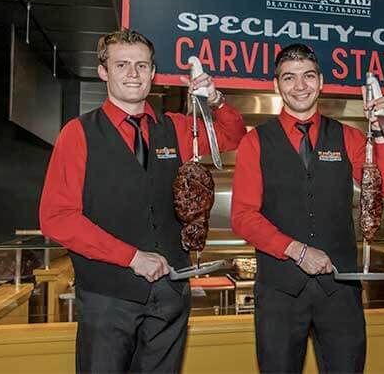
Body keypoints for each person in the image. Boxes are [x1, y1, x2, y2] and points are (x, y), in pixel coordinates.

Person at [39, 28, 246, 374]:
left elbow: (233, 136)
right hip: (108, 297)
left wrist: (216, 100)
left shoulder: (177, 127)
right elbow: (57, 217)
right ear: (104, 72)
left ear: (153, 72)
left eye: (141, 65)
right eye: (122, 65)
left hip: (170, 292)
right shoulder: (78, 134)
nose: (133, 74)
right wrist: (131, 257)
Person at [231, 44, 384, 373]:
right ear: (275, 85)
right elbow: (242, 216)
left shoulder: (349, 137)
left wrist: (379, 131)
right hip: (280, 292)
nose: (300, 86)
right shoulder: (256, 142)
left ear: (321, 82)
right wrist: (296, 250)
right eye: (289, 78)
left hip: (339, 290)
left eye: (308, 76)